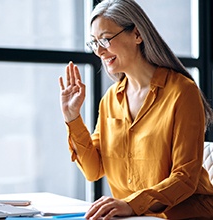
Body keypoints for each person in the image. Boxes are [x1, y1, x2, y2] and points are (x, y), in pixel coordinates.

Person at [58, 0, 213, 219]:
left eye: (105, 39)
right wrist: (72, 116)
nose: (100, 51)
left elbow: (185, 177)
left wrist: (132, 204)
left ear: (137, 34)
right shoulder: (110, 100)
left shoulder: (181, 92)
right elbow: (93, 170)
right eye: (94, 43)